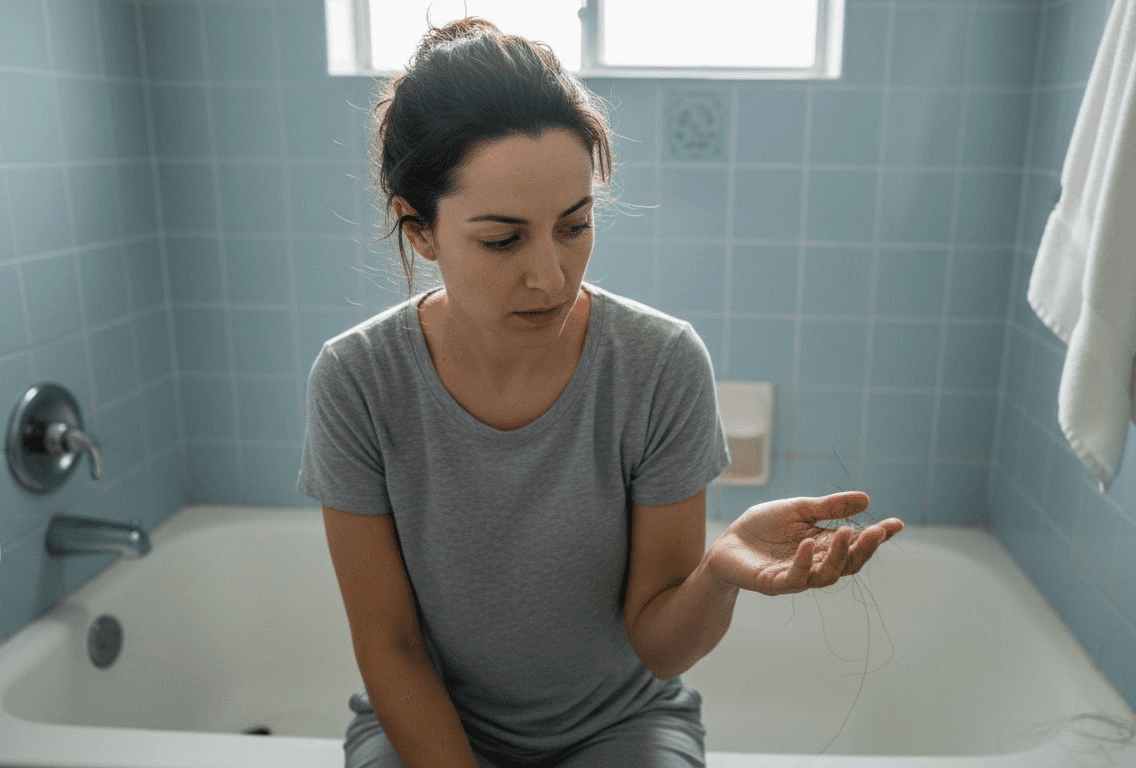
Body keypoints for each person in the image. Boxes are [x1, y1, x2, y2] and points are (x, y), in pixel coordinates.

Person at [298, 17, 904, 768]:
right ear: (418, 228)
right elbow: (389, 647)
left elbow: (659, 643)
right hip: (424, 727)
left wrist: (718, 573)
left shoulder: (659, 364)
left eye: (574, 226)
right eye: (502, 240)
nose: (550, 276)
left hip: (622, 729)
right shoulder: (357, 381)